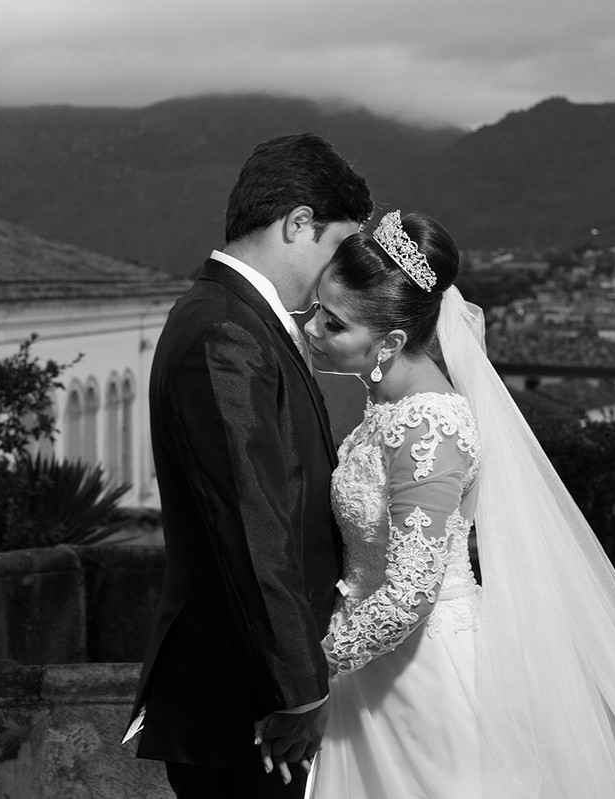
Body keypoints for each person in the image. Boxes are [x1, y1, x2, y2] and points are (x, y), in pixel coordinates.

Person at [299, 209, 615, 798]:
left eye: (334, 323)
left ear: (392, 341)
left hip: (418, 676)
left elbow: (409, 592)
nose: (313, 329)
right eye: (316, 311)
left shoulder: (427, 424)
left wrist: (309, 668)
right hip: (375, 667)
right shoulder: (390, 408)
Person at [123, 132, 372, 798]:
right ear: (298, 223)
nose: (340, 272)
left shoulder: (240, 318)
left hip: (255, 688)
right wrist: (298, 688)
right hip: (247, 700)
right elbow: (250, 518)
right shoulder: (224, 331)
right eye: (337, 247)